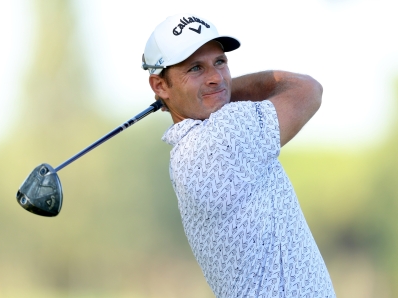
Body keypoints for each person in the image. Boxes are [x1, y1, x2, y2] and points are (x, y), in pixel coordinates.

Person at [142, 13, 336, 298]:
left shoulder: (186, 152)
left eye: (220, 62)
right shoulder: (221, 138)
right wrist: (221, 90)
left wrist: (199, 91)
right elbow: (307, 89)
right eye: (195, 68)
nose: (215, 77)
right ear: (160, 86)